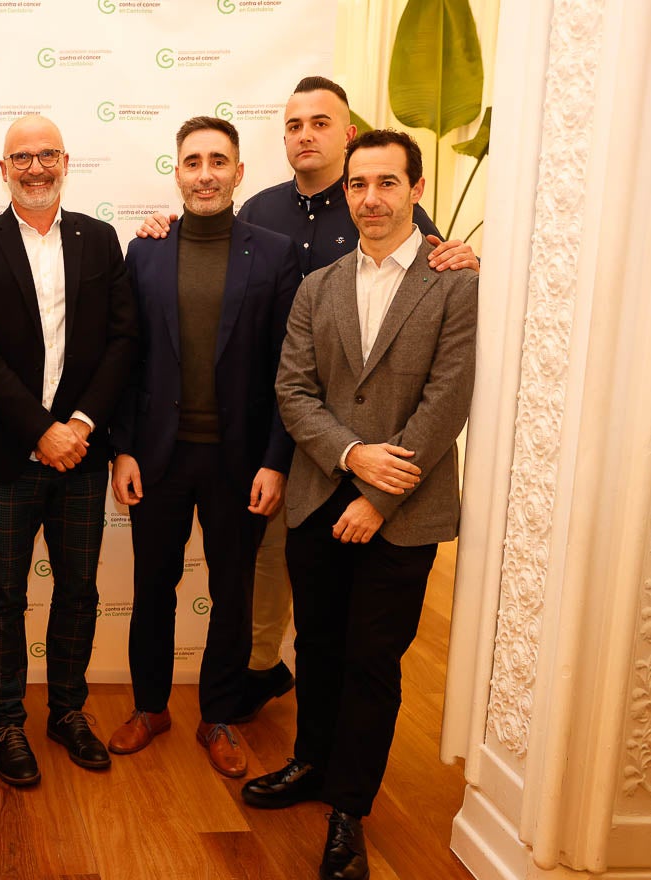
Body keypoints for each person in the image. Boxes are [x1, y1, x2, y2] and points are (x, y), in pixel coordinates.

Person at [139, 75, 480, 723]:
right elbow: (205, 253)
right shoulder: (260, 209)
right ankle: (260, 672)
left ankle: (319, 726)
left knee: (354, 629)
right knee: (268, 569)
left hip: (373, 441)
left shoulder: (381, 205)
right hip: (276, 427)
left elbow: (438, 281)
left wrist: (468, 257)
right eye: (293, 125)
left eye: (319, 123)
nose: (304, 135)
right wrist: (165, 226)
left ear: (346, 135)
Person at [247, 130, 477, 880]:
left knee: (370, 661)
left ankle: (347, 810)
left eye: (386, 182)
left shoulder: (457, 284)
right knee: (315, 644)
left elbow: (447, 400)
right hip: (318, 497)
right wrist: (349, 459)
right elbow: (293, 392)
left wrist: (378, 494)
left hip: (404, 513)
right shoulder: (317, 285)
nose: (370, 198)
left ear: (415, 189)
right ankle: (311, 762)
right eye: (357, 185)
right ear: (343, 193)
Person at [107, 118, 300, 779]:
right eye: (192, 162)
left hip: (238, 462)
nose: (205, 173)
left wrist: (276, 459)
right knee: (151, 587)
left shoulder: (273, 254)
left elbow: (287, 369)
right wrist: (122, 449)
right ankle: (150, 706)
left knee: (233, 591)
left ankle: (217, 715)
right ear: (177, 172)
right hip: (157, 457)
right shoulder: (147, 251)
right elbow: (127, 359)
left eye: (218, 160)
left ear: (239, 173)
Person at [0, 115, 137, 787]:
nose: (34, 167)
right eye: (20, 157)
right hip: (5, 458)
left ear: (66, 160)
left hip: (82, 456)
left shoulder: (99, 238)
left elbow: (121, 341)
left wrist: (81, 425)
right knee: (2, 597)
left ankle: (66, 711)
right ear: (2, 169)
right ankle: (6, 720)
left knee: (78, 592)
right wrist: (39, 429)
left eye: (46, 155)